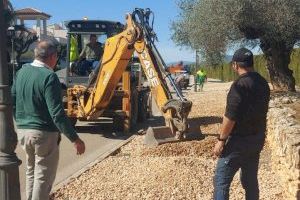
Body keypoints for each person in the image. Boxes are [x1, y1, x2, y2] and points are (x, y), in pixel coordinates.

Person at [11, 40, 86, 200]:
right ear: (52, 56)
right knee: (43, 177)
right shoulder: (49, 76)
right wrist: (75, 139)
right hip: (44, 133)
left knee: (31, 171)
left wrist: (20, 121)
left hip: (23, 131)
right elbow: (57, 113)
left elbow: (12, 99)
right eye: (56, 57)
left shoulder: (21, 72)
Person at [213, 48, 270, 200]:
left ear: (235, 65)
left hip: (238, 142)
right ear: (252, 63)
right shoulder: (263, 83)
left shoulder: (239, 86)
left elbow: (230, 117)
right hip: (256, 140)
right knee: (250, 181)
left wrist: (221, 140)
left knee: (221, 181)